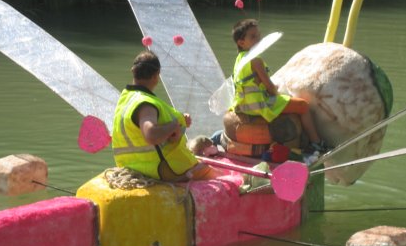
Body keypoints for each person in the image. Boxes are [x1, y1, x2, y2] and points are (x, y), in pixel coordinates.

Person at [111, 50, 220, 182]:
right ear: (156, 76)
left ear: (133, 71)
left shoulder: (126, 99)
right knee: (216, 176)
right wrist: (174, 125)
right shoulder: (146, 104)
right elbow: (151, 134)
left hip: (131, 166)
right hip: (162, 169)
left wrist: (180, 121)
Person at [231, 18, 329, 153]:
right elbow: (270, 88)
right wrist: (276, 92)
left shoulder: (239, 60)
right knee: (303, 105)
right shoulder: (256, 60)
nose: (258, 39)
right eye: (253, 37)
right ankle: (316, 142)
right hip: (258, 106)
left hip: (244, 105)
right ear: (241, 43)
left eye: (258, 35)